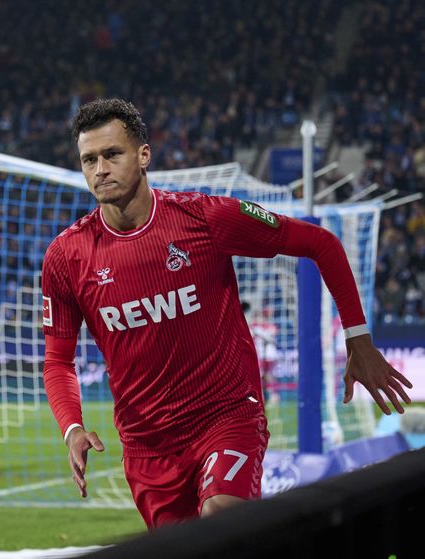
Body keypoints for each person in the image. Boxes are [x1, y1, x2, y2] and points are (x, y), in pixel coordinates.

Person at [41, 98, 413, 528]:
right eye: (89, 159)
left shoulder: (204, 219)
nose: (100, 169)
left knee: (222, 520)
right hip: (148, 447)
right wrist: (72, 428)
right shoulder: (66, 257)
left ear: (144, 155)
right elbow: (57, 361)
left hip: (226, 418)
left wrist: (359, 337)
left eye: (112, 154)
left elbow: (321, 244)